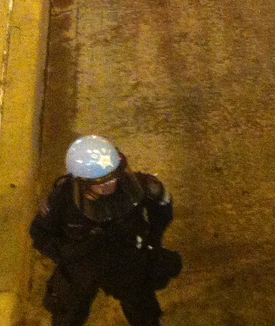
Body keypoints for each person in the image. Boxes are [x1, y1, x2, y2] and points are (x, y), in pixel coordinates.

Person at [29, 135, 179, 326]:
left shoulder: (138, 186)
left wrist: (152, 241)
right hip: (83, 263)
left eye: (113, 177)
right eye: (100, 182)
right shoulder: (62, 199)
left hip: (125, 258)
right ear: (82, 182)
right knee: (67, 310)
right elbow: (39, 233)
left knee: (142, 307)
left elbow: (162, 209)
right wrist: (65, 253)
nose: (110, 185)